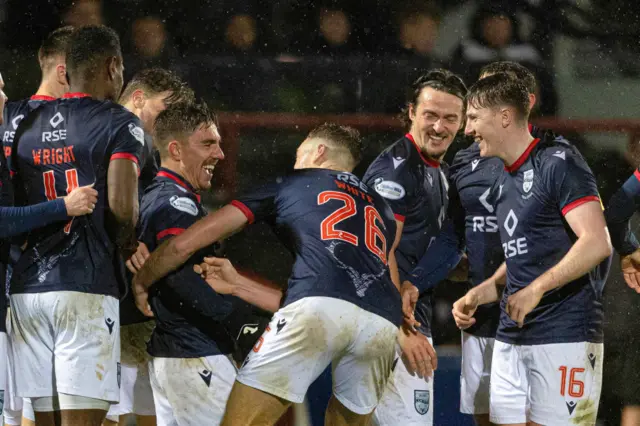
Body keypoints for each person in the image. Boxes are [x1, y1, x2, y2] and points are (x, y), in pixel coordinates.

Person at [131, 123, 401, 426]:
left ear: (319, 151)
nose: (296, 163)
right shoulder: (383, 210)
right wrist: (238, 286)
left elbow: (184, 244)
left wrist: (143, 280)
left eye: (300, 155)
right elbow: (349, 297)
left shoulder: (294, 182)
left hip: (316, 309)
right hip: (384, 321)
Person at [453, 73, 611, 425]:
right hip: (511, 336)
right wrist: (485, 291)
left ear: (505, 117)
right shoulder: (503, 179)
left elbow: (596, 242)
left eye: (474, 117)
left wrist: (536, 289)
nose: (467, 130)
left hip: (563, 335)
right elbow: (530, 252)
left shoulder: (558, 163)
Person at [7, 25, 146, 426]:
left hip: (27, 289)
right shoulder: (119, 122)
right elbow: (122, 207)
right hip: (84, 285)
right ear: (113, 65)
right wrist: (126, 243)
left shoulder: (23, 124)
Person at [411, 61, 537, 426]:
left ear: (522, 102)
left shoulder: (550, 160)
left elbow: (566, 241)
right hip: (479, 315)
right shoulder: (464, 161)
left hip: (535, 315)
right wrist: (417, 282)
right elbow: (454, 234)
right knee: (487, 419)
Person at [361, 69, 467, 426]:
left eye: (450, 118)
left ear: (463, 121)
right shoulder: (397, 171)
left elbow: (420, 250)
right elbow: (378, 251)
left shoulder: (438, 171)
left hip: (401, 317)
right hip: (389, 320)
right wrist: (402, 330)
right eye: (430, 115)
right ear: (411, 112)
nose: (439, 127)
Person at [104, 67, 194, 426]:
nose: (167, 121)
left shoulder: (145, 150)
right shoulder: (118, 132)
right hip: (101, 286)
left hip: (126, 291)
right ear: (138, 99)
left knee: (134, 400)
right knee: (104, 403)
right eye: (163, 109)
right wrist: (125, 241)